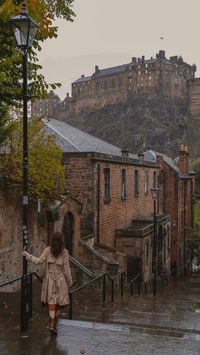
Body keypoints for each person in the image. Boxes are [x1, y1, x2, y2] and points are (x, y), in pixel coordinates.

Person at [22, 231, 73, 335]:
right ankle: (53, 322)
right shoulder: (65, 252)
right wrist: (70, 282)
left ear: (52, 240)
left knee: (52, 303)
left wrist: (27, 255)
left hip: (49, 281)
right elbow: (67, 270)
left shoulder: (47, 250)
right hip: (61, 281)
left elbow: (38, 261)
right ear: (61, 241)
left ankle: (52, 322)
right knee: (60, 304)